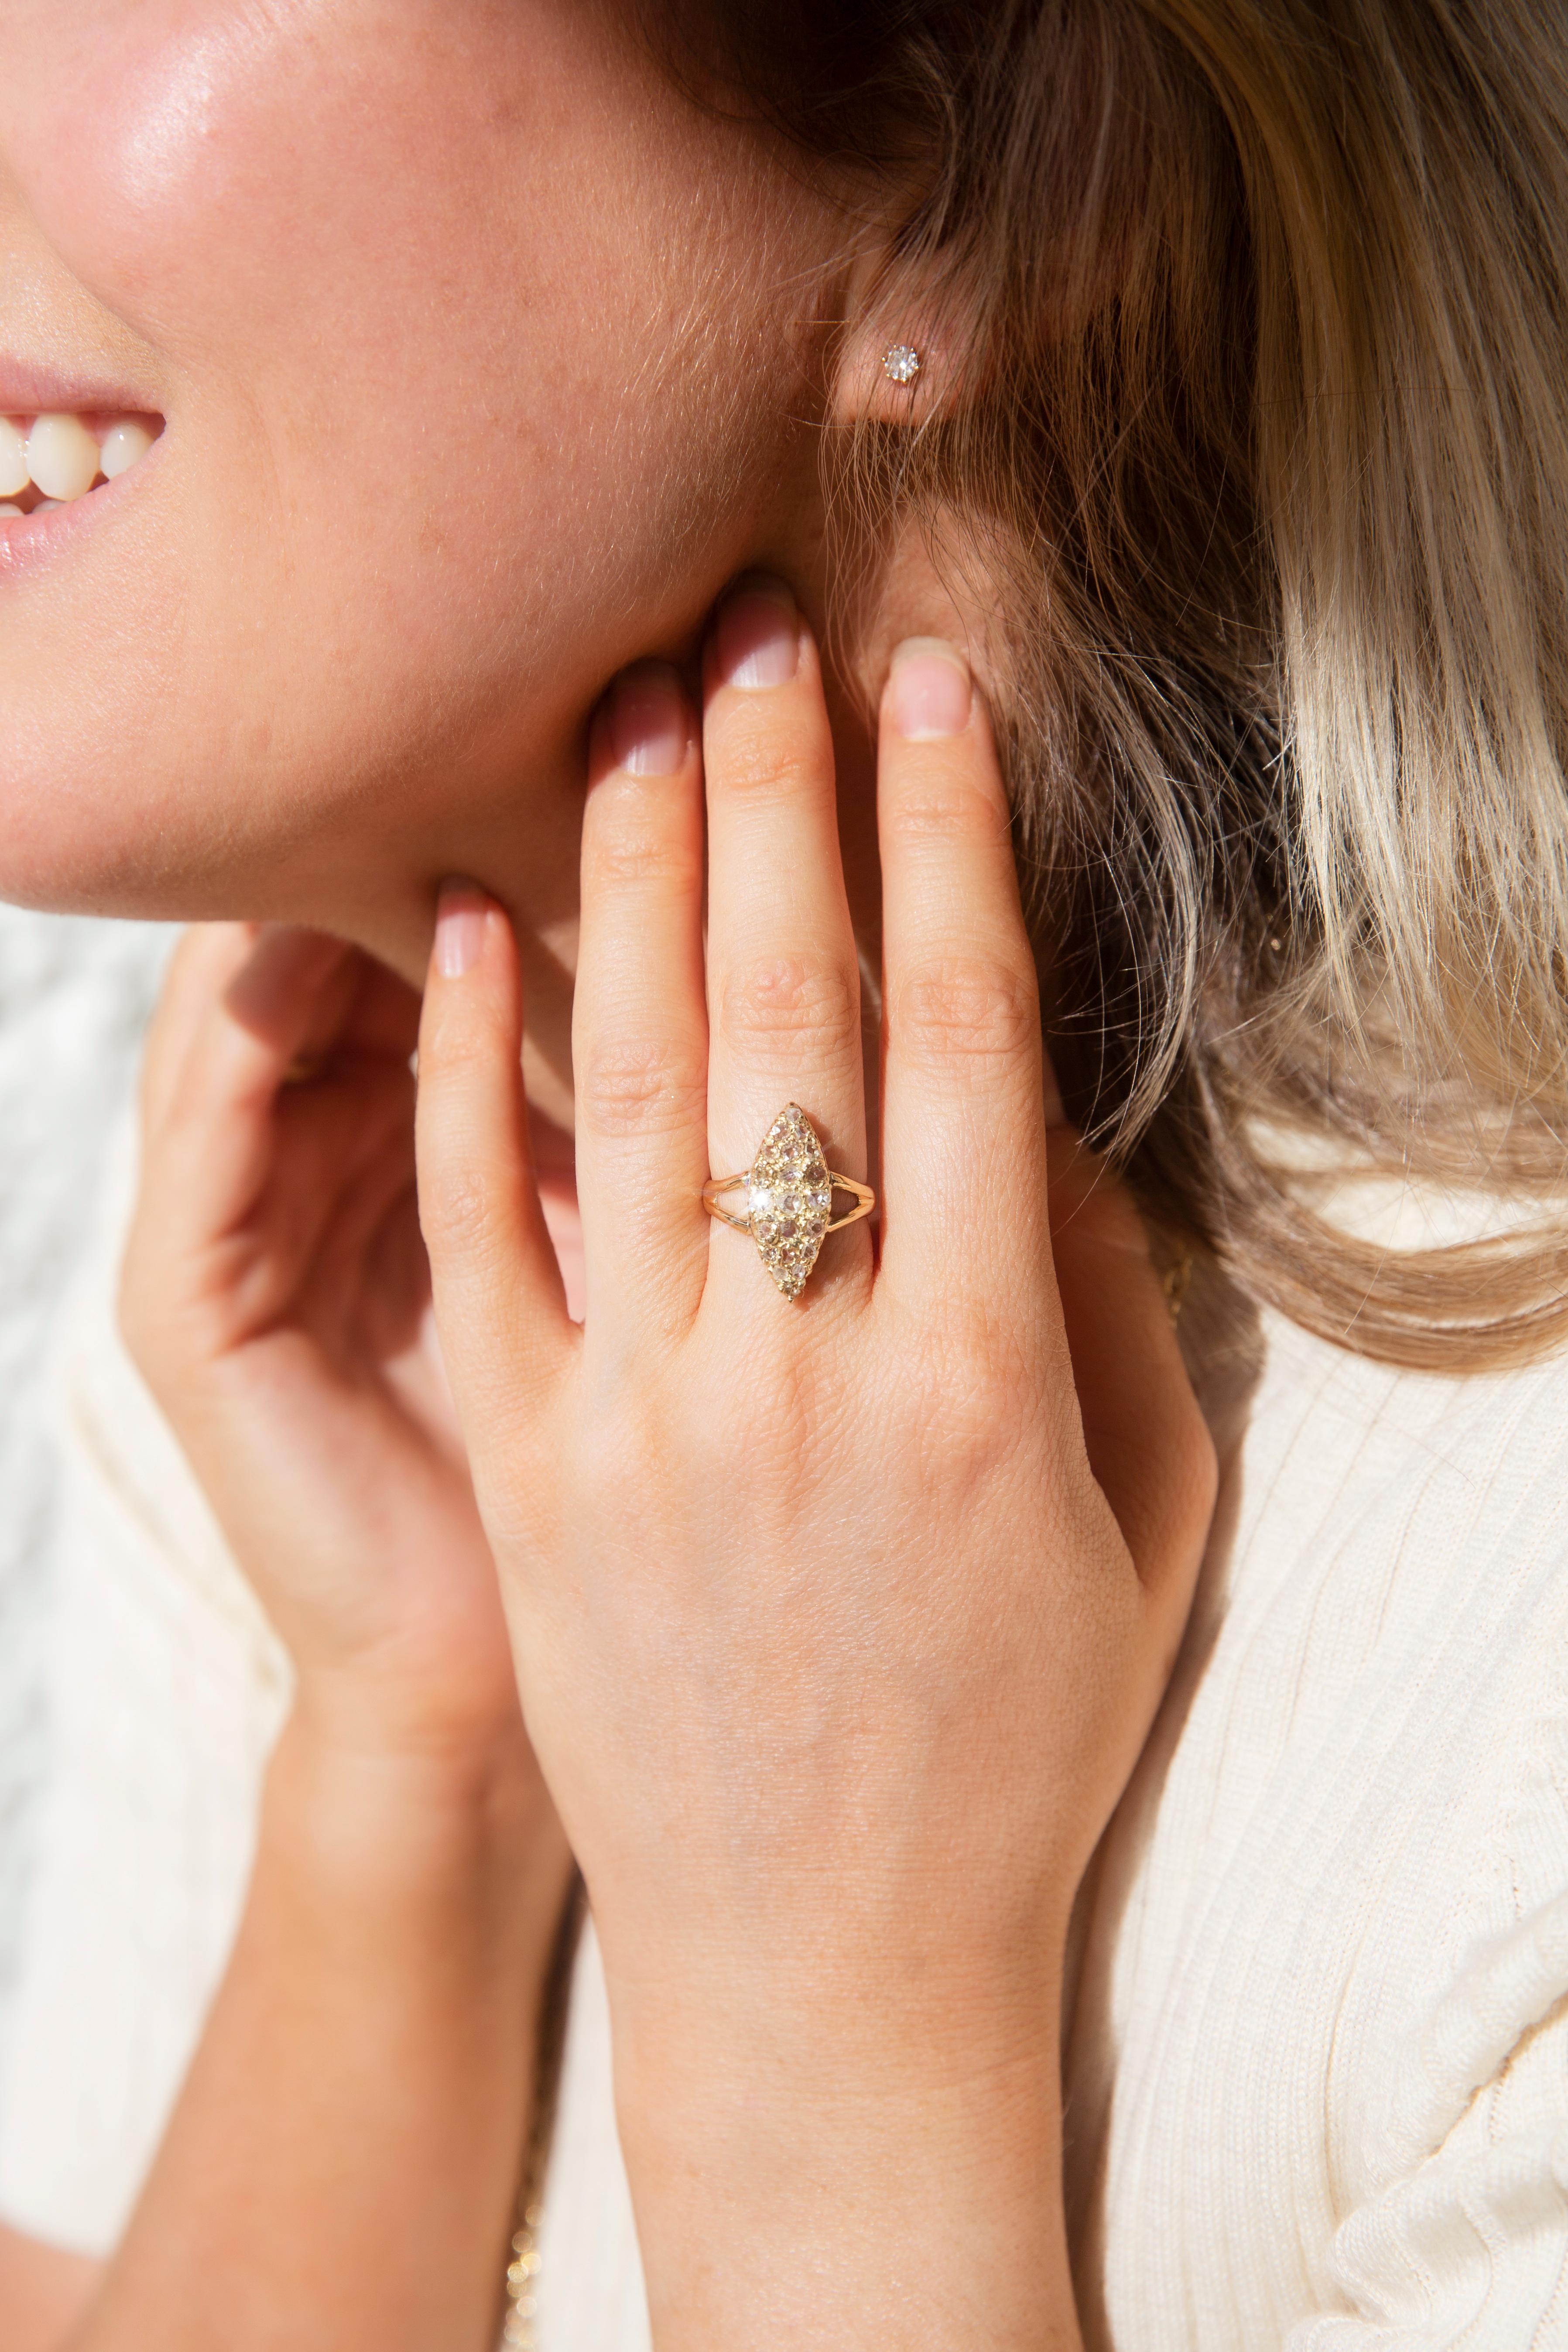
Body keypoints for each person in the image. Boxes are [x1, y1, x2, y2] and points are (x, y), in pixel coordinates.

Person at [0, 3, 1565, 2348]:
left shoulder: (1506, 1723)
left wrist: (828, 2062)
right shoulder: (329, 1287)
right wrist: (413, 1789)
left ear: (1006, 172)